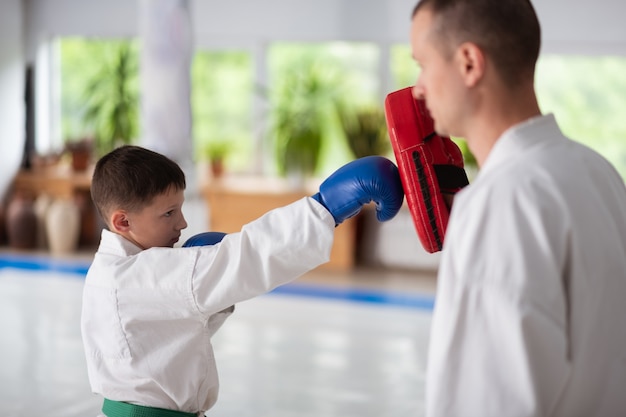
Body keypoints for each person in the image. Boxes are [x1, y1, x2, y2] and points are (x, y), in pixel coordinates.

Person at [408, 0, 626, 416]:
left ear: (470, 63)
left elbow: (489, 401)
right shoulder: (599, 173)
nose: (418, 87)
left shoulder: (503, 200)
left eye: (422, 62)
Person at [81, 145, 404, 417]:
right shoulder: (146, 275)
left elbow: (169, 339)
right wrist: (326, 207)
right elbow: (248, 256)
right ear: (122, 221)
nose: (182, 222)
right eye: (168, 213)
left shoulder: (110, 272)